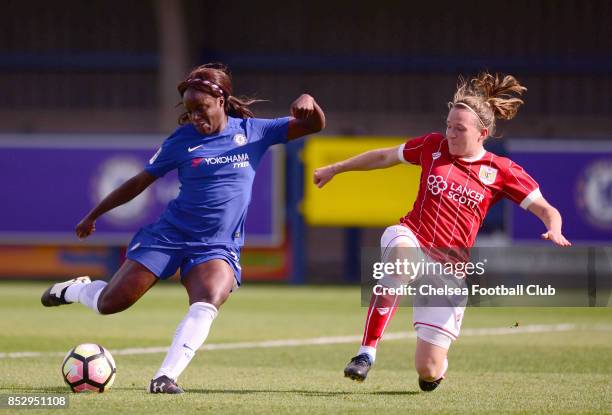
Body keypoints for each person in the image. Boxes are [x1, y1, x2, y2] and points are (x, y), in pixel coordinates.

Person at [41, 63, 325, 394]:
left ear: (221, 100)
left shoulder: (253, 131)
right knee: (110, 303)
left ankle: (164, 377)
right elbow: (139, 182)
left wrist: (310, 101)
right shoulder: (181, 141)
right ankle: (76, 289)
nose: (195, 118)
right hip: (170, 236)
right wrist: (94, 214)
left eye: (201, 109)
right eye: (190, 111)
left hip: (217, 245)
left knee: (208, 300)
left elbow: (313, 125)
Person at [313, 72, 570, 391]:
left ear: (482, 133)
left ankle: (435, 371)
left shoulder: (500, 170)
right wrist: (336, 168)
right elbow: (383, 156)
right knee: (400, 260)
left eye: (459, 129)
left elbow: (547, 209)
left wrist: (553, 228)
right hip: (411, 237)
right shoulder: (432, 146)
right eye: (449, 125)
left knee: (428, 368)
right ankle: (366, 354)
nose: (450, 133)